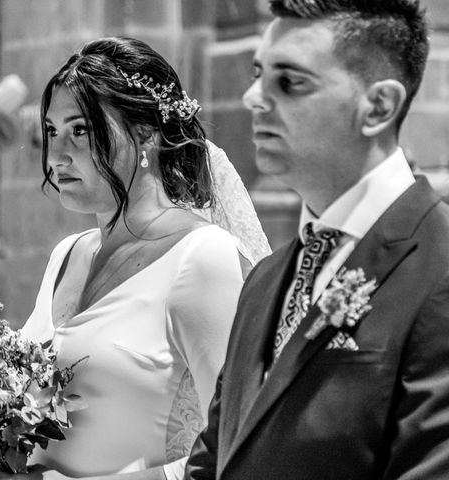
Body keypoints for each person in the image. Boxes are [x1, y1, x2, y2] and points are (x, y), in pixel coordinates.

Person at [0, 36, 269, 480]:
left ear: (146, 134)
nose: (57, 156)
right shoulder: (66, 255)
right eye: (52, 131)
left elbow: (245, 443)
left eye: (81, 130)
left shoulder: (201, 258)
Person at [184, 0, 449, 479]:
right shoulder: (264, 278)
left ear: (378, 106)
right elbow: (214, 456)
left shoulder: (439, 263)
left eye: (290, 81)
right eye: (257, 73)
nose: (252, 97)